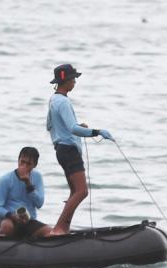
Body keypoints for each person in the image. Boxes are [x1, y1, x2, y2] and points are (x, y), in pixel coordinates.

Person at [45, 64, 113, 236]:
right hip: (69, 150)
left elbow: (50, 126)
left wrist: (74, 127)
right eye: (73, 79)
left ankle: (63, 227)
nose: (75, 82)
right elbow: (73, 129)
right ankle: (59, 228)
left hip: (61, 149)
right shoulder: (64, 102)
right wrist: (96, 132)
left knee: (75, 191)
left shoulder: (53, 100)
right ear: (66, 81)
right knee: (82, 191)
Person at [0, 147, 51, 238]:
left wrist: (28, 184)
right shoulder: (5, 179)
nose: (24, 166)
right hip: (8, 217)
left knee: (48, 231)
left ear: (34, 165)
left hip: (28, 220)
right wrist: (11, 215)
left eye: (28, 164)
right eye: (22, 162)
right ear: (18, 160)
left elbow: (39, 203)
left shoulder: (37, 177)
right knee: (7, 227)